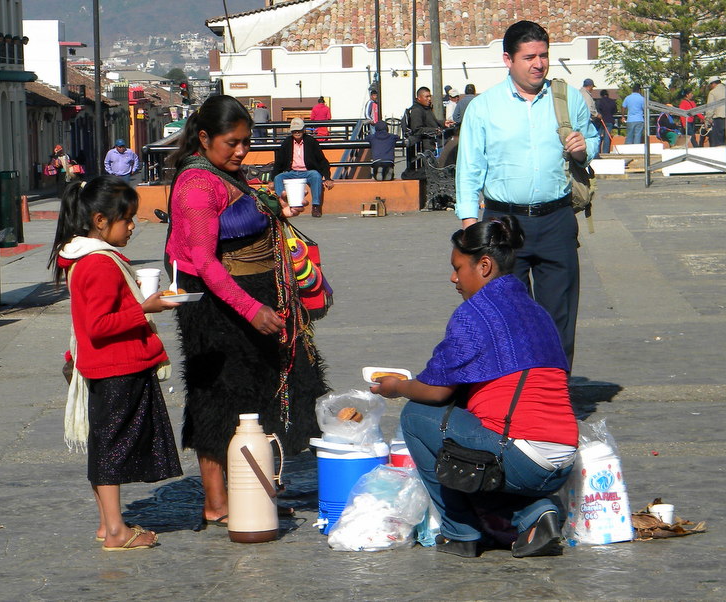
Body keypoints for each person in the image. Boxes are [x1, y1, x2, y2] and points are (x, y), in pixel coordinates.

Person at [165, 95, 328, 528]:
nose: (241, 150)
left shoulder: (226, 173)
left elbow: (243, 220)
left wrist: (281, 211)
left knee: (256, 393)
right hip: (214, 302)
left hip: (250, 294)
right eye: (232, 142)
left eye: (246, 141)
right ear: (204, 138)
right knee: (218, 396)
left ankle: (253, 490)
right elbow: (203, 260)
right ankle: (218, 501)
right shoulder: (197, 185)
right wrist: (250, 308)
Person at [373, 217, 577, 559]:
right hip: (561, 459)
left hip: (521, 456)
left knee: (417, 417)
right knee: (470, 437)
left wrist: (398, 387)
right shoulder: (537, 312)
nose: (453, 278)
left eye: (457, 268)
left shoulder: (476, 313)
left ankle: (460, 532)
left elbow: (436, 391)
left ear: (484, 266)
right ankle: (536, 513)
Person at [48, 175, 183, 551]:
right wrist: (145, 308)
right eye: (127, 219)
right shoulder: (100, 264)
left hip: (106, 365)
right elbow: (99, 325)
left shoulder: (82, 257)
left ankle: (108, 525)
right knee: (112, 449)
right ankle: (116, 532)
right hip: (117, 366)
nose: (132, 226)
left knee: (106, 445)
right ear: (100, 221)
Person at [455, 20, 599, 368]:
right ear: (508, 59)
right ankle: (516, 394)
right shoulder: (484, 107)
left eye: (544, 55)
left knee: (559, 317)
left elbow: (591, 140)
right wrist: (471, 224)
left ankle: (555, 392)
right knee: (508, 317)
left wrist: (583, 148)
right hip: (503, 224)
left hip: (557, 221)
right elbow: (469, 167)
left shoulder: (567, 100)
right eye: (529, 57)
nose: (539, 64)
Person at [271, 117, 334, 218]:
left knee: (316, 176)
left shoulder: (311, 141)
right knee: (278, 178)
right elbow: (279, 162)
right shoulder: (287, 142)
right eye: (294, 130)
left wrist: (327, 178)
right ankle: (282, 205)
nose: (297, 132)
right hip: (291, 172)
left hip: (308, 172)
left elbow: (322, 161)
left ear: (304, 130)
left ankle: (316, 206)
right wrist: (272, 179)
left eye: (299, 130)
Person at [409, 86, 445, 151]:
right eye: (426, 97)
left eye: (430, 96)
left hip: (434, 142)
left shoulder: (426, 108)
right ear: (419, 98)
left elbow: (432, 122)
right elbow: (417, 129)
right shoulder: (417, 110)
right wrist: (434, 130)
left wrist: (444, 123)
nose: (429, 99)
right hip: (426, 146)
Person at [705, 78, 726, 147]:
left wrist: (707, 121)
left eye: (710, 85)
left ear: (713, 83)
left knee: (718, 142)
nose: (710, 87)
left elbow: (710, 108)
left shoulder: (713, 92)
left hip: (719, 119)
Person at [596, 90, 617, 154]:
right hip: (610, 120)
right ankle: (605, 152)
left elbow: (597, 110)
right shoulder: (612, 101)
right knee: (607, 137)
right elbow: (615, 111)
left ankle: (597, 151)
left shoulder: (599, 102)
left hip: (601, 121)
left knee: (598, 136)